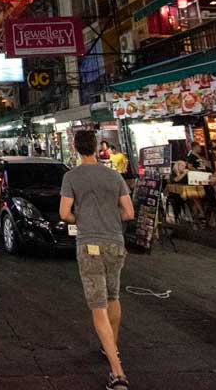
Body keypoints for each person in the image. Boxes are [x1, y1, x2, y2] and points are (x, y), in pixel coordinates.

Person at [59, 131, 134, 390]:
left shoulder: (71, 177)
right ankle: (111, 346)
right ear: (97, 147)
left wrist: (82, 219)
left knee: (98, 306)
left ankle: (117, 372)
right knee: (113, 298)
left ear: (75, 148)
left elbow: (64, 213)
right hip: (115, 243)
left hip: (89, 245)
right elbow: (129, 212)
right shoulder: (114, 175)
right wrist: (108, 219)